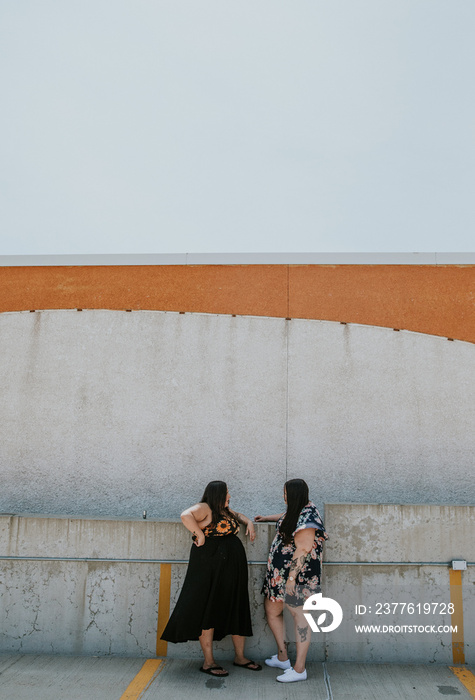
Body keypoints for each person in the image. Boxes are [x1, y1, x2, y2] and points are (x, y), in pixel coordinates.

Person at [161, 480, 262, 676]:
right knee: (209, 608)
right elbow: (185, 515)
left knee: (236, 605)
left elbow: (238, 515)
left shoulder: (224, 510)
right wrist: (199, 533)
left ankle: (240, 657)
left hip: (231, 568)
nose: (230, 496)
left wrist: (248, 521)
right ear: (217, 494)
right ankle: (209, 662)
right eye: (227, 493)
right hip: (210, 567)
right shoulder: (205, 508)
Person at [255, 478, 328, 683]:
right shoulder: (297, 510)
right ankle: (282, 657)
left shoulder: (309, 516)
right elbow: (287, 516)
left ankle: (299, 669)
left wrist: (291, 579)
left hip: (297, 577)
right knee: (272, 610)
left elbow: (303, 549)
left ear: (293, 495)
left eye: (285, 493)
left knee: (300, 617)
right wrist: (266, 517)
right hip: (279, 575)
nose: (283, 496)